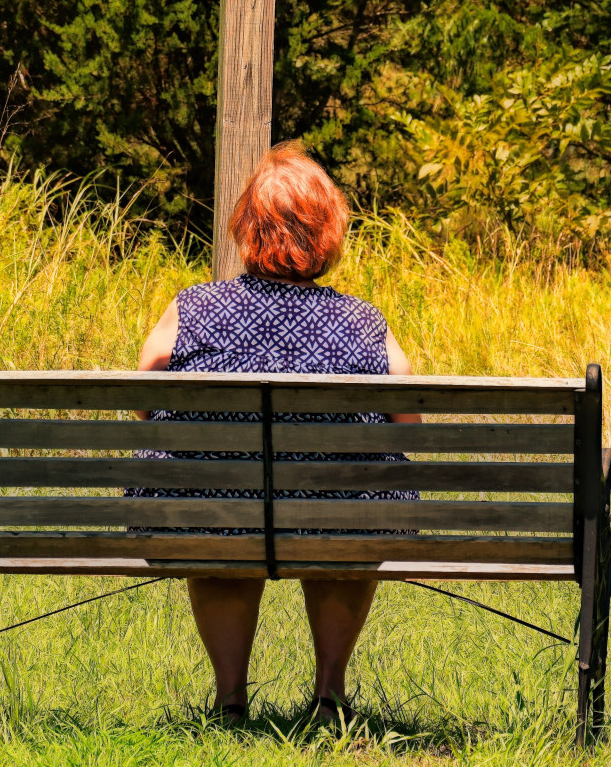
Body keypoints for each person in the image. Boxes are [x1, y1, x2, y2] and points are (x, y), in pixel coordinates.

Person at [129, 143, 419, 724]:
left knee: (218, 515)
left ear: (246, 228)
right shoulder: (361, 322)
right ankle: (330, 696)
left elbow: (141, 399)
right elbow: (409, 421)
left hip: (215, 513)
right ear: (327, 234)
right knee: (355, 516)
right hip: (335, 518)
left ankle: (231, 700)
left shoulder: (194, 309)